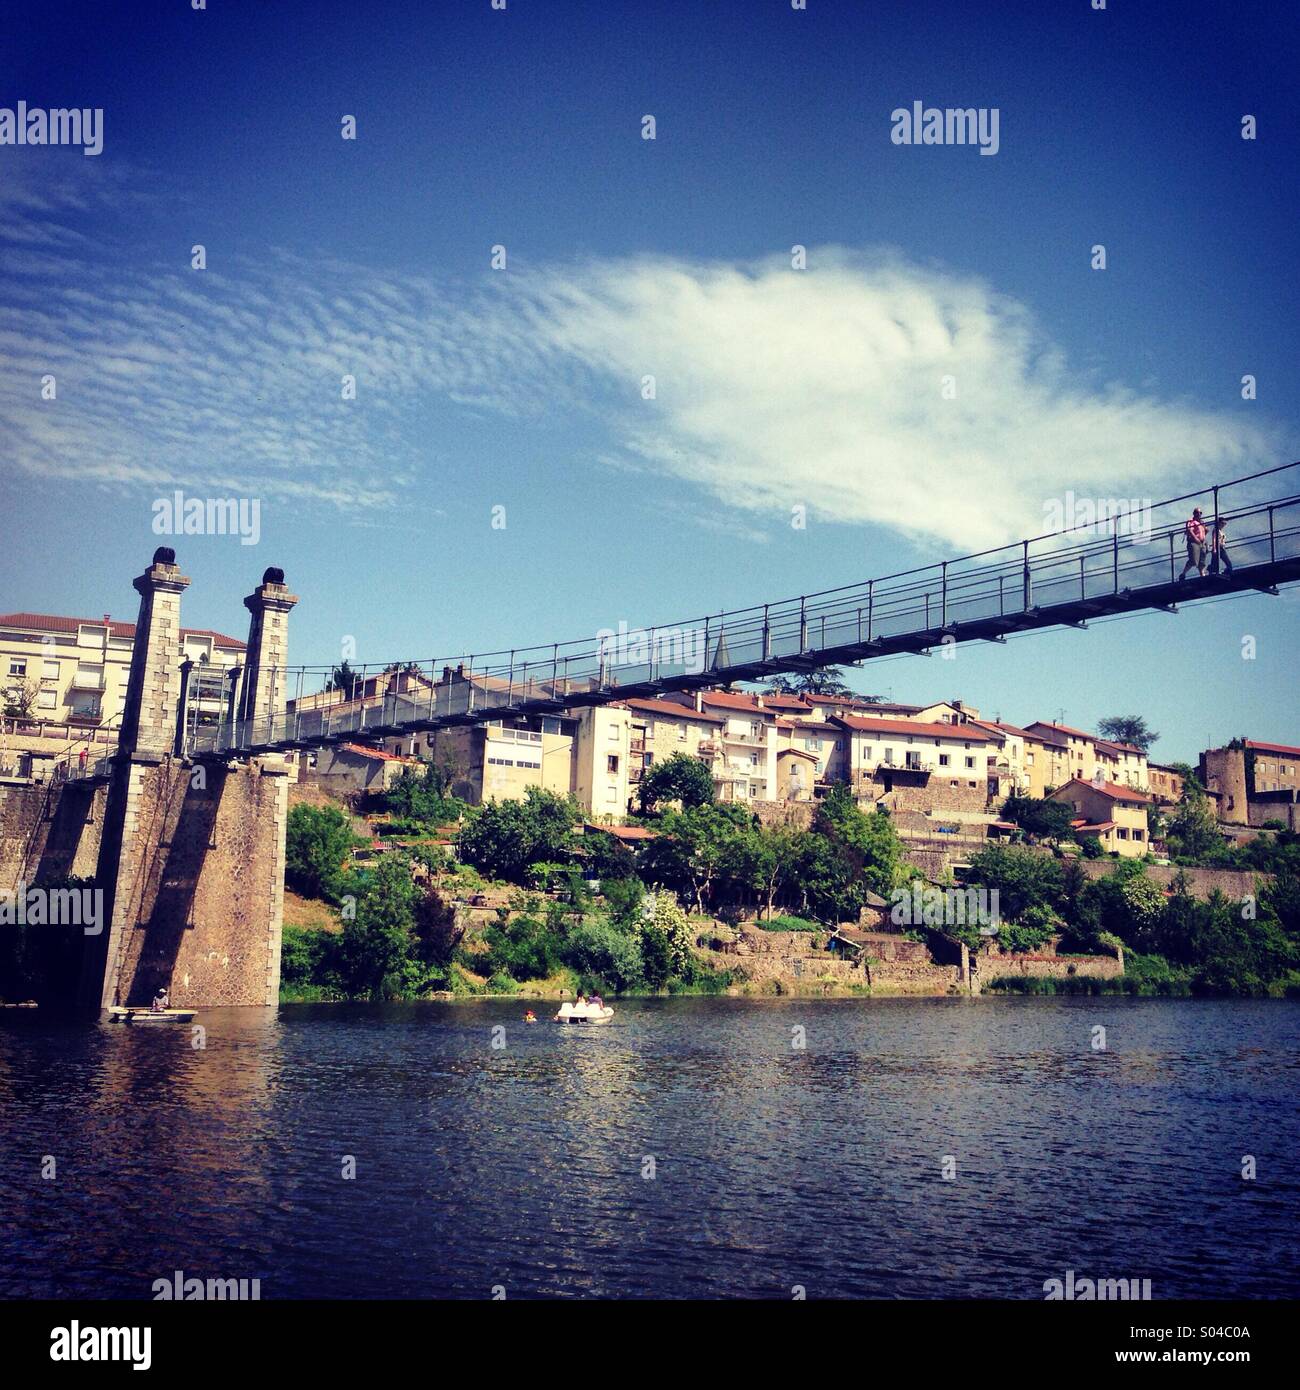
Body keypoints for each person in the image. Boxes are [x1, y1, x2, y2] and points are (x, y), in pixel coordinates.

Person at [1178, 507, 1207, 580]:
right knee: (1193, 560)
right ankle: (1183, 574)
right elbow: (1189, 530)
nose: (1199, 514)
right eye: (1197, 512)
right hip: (1194, 542)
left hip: (1202, 543)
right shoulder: (1191, 521)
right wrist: (1196, 538)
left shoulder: (1201, 522)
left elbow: (1205, 531)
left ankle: (1202, 574)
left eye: (1200, 513)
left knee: (1202, 560)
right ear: (1194, 513)